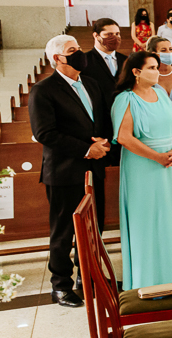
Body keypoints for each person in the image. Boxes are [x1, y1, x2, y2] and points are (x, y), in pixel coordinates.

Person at [30, 35, 112, 308]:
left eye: (79, 48)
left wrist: (102, 142)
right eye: (72, 50)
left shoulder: (91, 84)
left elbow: (101, 119)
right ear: (57, 58)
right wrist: (86, 149)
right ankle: (61, 285)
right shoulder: (44, 90)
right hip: (64, 171)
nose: (80, 54)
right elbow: (45, 133)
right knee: (64, 231)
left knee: (93, 228)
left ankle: (88, 278)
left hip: (93, 169)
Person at [111, 51, 172, 289]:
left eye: (157, 67)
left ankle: (171, 269)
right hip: (142, 166)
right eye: (152, 68)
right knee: (145, 218)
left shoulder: (161, 94)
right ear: (136, 72)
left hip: (168, 165)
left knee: (168, 214)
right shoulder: (125, 99)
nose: (158, 71)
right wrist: (157, 157)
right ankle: (145, 275)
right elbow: (124, 137)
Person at [83, 18, 127, 114]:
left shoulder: (126, 60)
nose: (115, 38)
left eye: (117, 34)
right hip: (97, 114)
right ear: (96, 35)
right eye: (109, 34)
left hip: (123, 112)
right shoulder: (84, 60)